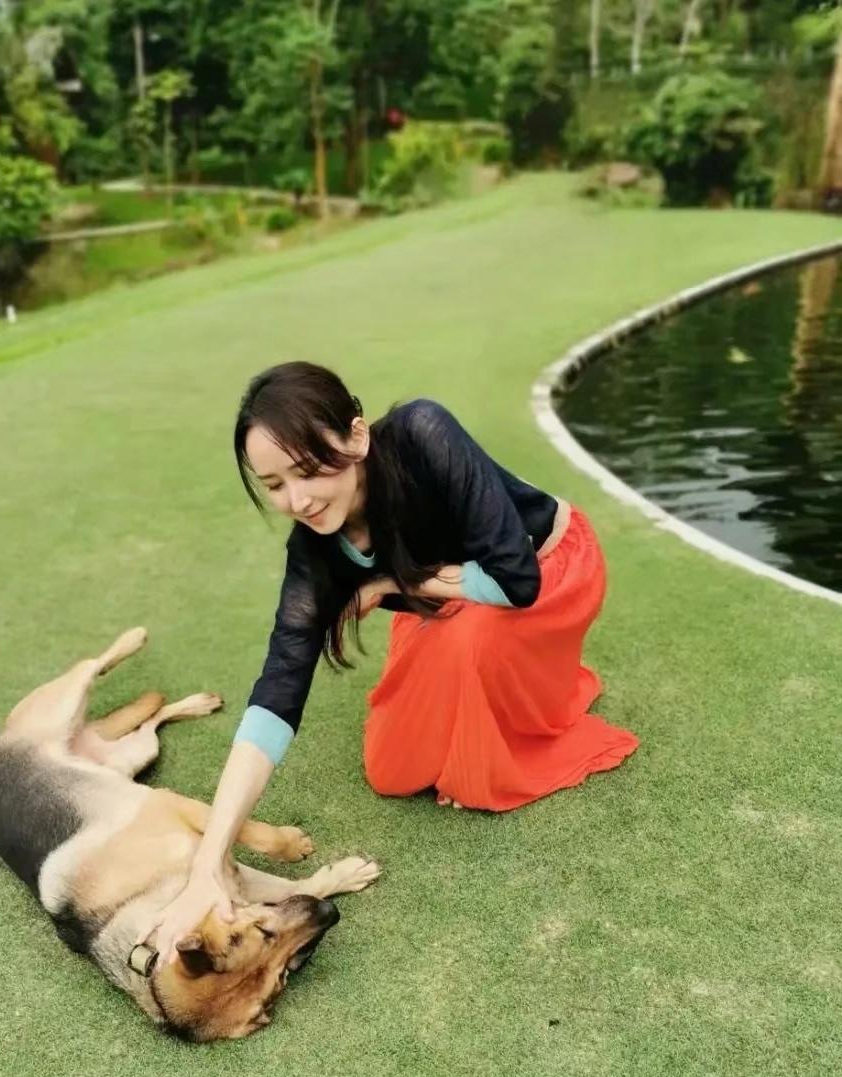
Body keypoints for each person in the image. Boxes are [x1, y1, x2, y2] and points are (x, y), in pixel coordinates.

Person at [145, 361, 638, 961]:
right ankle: (484, 705)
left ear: (356, 437)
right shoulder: (313, 553)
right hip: (450, 597)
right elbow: (277, 694)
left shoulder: (422, 433)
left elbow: (518, 582)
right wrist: (210, 859)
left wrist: (388, 584)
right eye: (274, 485)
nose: (297, 499)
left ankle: (532, 704)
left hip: (550, 572)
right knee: (394, 771)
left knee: (473, 713)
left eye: (307, 469)